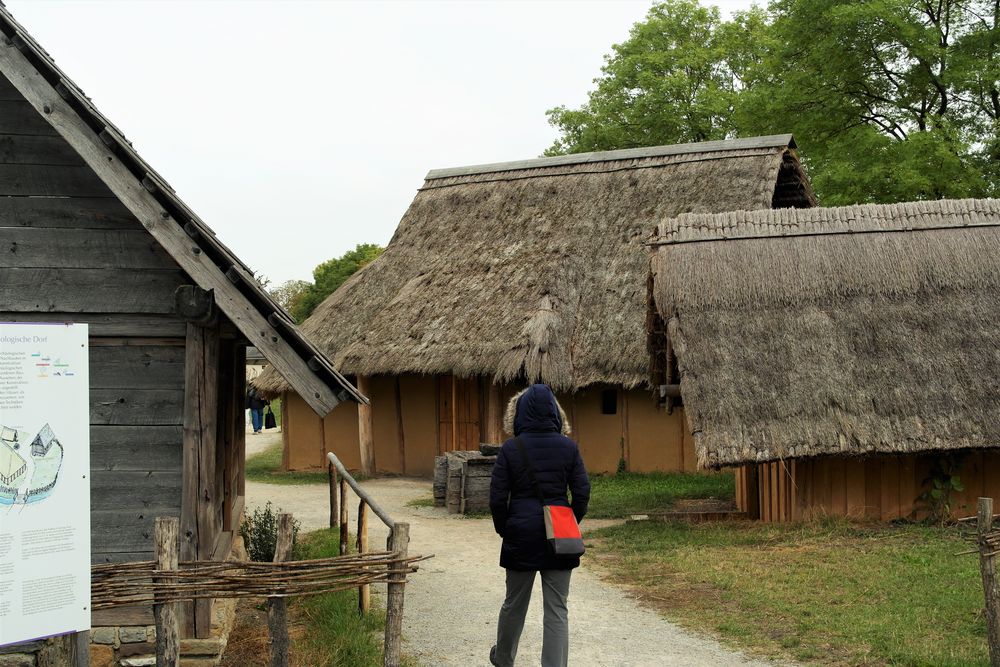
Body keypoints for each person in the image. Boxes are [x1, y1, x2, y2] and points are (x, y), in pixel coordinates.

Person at [489, 384, 590, 667]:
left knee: (514, 604)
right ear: (554, 413)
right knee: (557, 609)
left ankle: (504, 659)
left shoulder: (511, 448)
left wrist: (505, 528)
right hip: (560, 534)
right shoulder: (569, 447)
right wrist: (569, 522)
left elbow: (497, 497)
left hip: (520, 533)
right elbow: (582, 492)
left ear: (519, 414)